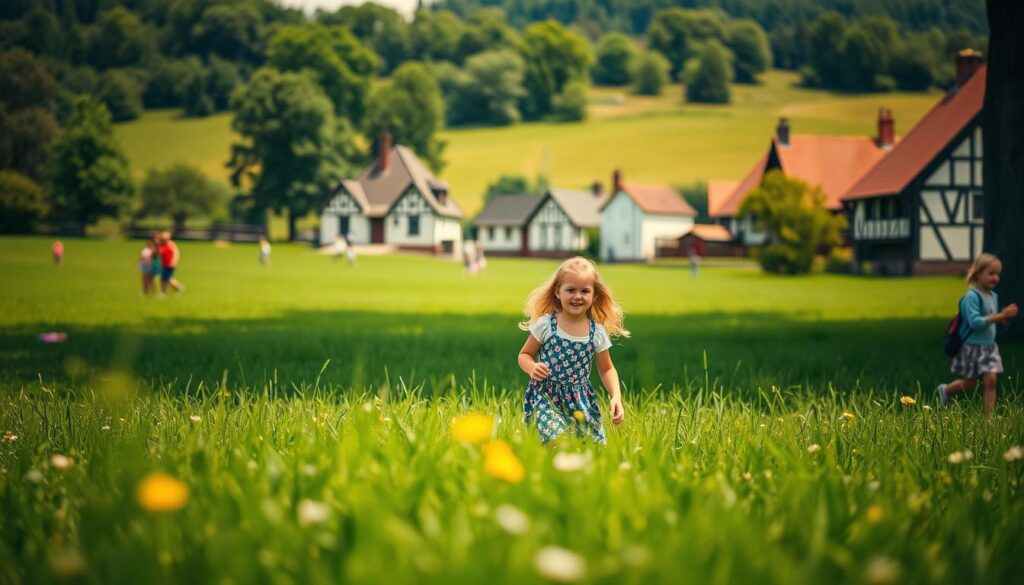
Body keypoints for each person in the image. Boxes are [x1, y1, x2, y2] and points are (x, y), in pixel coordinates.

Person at [517, 257, 628, 444]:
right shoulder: (547, 325)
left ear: (595, 295)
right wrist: (532, 367)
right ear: (558, 292)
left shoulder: (596, 333)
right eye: (570, 290)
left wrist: (615, 395)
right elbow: (524, 355)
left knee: (588, 446)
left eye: (585, 291)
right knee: (554, 440)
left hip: (580, 400)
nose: (577, 296)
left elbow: (607, 369)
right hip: (546, 396)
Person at [936, 253, 1017, 416]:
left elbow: (990, 320)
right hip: (972, 347)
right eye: (991, 273)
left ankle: (989, 419)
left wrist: (1003, 319)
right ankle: (946, 390)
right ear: (978, 273)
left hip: (989, 347)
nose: (996, 278)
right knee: (970, 384)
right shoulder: (971, 297)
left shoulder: (993, 296)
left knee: (991, 380)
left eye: (998, 274)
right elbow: (975, 322)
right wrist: (999, 316)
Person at [158, 231, 184, 295]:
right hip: (164, 264)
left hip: (170, 264)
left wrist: (174, 261)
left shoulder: (171, 244)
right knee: (167, 279)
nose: (163, 239)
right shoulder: (161, 244)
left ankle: (164, 292)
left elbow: (176, 253)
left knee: (165, 279)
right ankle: (178, 288)